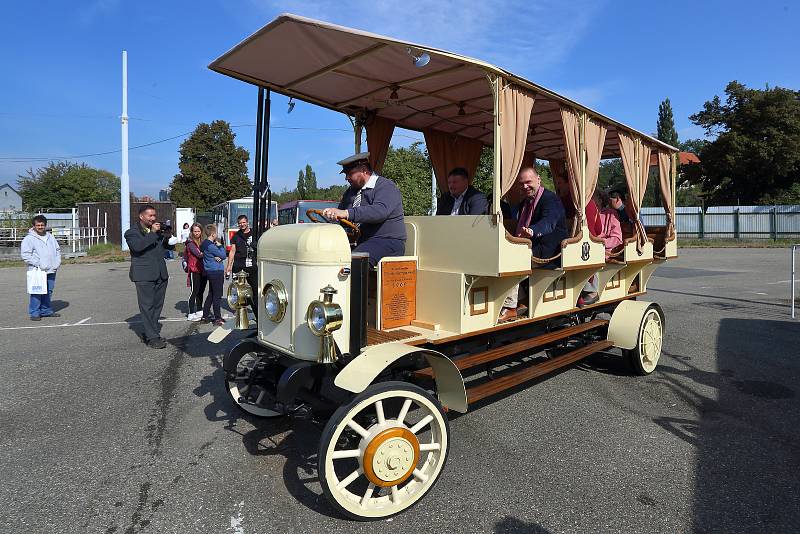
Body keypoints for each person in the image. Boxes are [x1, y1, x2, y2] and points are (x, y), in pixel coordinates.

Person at [498, 167, 568, 321]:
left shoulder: (551, 199)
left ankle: (510, 307)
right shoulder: (525, 202)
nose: (525, 186)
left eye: (528, 182)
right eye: (521, 183)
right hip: (531, 246)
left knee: (511, 262)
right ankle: (521, 301)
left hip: (549, 251)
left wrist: (532, 230)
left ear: (538, 179)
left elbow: (548, 222)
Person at [321, 152, 406, 267]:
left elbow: (380, 211)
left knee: (355, 262)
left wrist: (346, 213)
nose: (347, 178)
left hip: (387, 241)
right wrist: (332, 218)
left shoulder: (386, 186)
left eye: (350, 173)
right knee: (323, 255)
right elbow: (341, 216)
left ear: (364, 171)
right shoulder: (351, 192)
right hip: (361, 241)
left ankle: (353, 285)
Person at [124, 205, 179, 349]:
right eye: (150, 216)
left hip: (161, 273)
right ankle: (153, 337)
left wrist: (168, 238)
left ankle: (151, 333)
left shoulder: (157, 231)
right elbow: (138, 247)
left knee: (157, 306)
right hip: (144, 275)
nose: (153, 218)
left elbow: (166, 248)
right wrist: (154, 233)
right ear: (141, 216)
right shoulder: (131, 233)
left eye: (154, 215)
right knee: (147, 306)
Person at [578, 191, 624, 307]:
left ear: (600, 199)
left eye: (593, 197)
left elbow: (617, 238)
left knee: (590, 254)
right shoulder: (585, 212)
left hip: (606, 249)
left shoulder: (611, 214)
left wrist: (601, 243)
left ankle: (592, 291)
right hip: (589, 244)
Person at [20, 215, 62, 321]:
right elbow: (25, 255)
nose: (40, 227)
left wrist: (57, 262)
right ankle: (35, 313)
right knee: (37, 291)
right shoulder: (29, 239)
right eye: (37, 225)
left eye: (42, 225)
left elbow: (57, 250)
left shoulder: (50, 236)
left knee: (48, 291)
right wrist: (38, 264)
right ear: (33, 226)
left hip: (51, 269)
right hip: (38, 270)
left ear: (45, 225)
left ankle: (46, 310)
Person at [225, 214, 257, 312]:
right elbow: (232, 251)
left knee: (255, 289)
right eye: (240, 223)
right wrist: (229, 266)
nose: (242, 224)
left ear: (247, 222)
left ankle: (256, 308)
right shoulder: (236, 236)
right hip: (239, 266)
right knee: (238, 289)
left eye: (243, 222)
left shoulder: (255, 233)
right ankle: (241, 310)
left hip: (252, 266)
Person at [200, 224, 227, 326]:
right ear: (213, 234)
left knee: (211, 294)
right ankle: (217, 318)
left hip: (209, 271)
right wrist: (220, 246)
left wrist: (216, 255)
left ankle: (205, 316)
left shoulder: (205, 244)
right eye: (216, 233)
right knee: (217, 295)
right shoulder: (212, 246)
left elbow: (216, 255)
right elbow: (224, 255)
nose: (217, 235)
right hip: (216, 271)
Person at [184, 223, 206, 321]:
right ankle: (191, 312)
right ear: (192, 232)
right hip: (194, 269)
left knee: (201, 291)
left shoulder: (203, 241)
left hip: (203, 269)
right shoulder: (190, 243)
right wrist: (211, 252)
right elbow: (199, 254)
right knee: (194, 291)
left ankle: (199, 309)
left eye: (198, 231)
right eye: (195, 231)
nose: (197, 233)